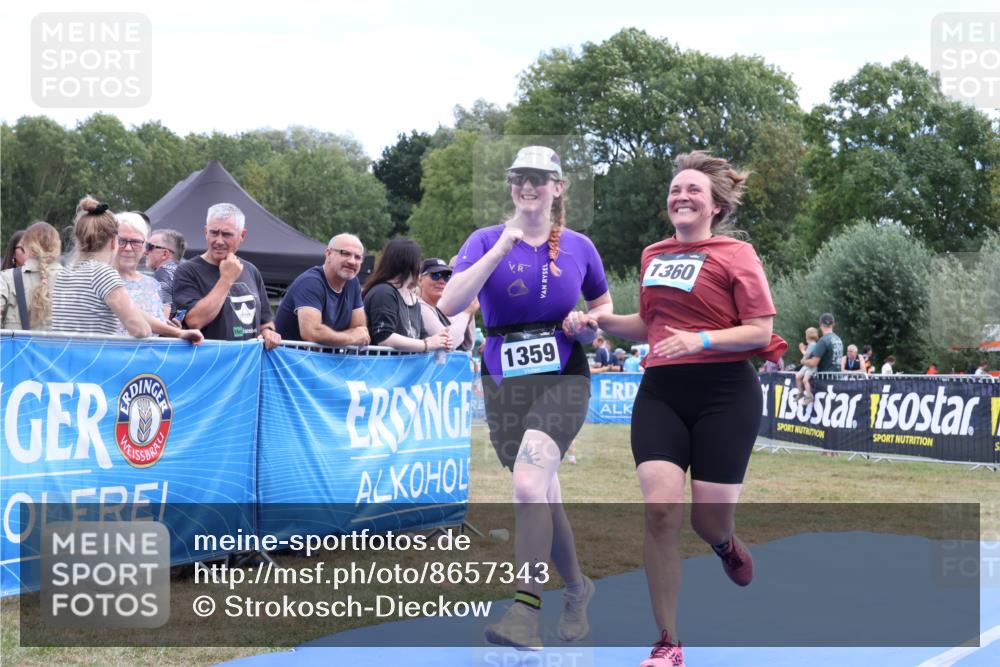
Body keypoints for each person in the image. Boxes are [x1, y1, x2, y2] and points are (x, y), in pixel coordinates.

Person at [593, 151, 786, 666]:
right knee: (659, 512)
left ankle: (725, 544)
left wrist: (699, 340)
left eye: (693, 190)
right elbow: (647, 325)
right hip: (662, 392)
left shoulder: (737, 253)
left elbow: (760, 331)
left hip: (725, 393)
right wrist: (598, 322)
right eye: (675, 189)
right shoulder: (653, 254)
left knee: (708, 522)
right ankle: (668, 642)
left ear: (716, 205)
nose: (681, 196)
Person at [438, 145, 611, 650]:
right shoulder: (485, 239)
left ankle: (525, 611)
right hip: (503, 385)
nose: (528, 186)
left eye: (540, 178)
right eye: (520, 177)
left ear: (558, 187)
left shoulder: (580, 246)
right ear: (511, 185)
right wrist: (499, 249)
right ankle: (578, 590)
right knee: (543, 495)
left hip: (564, 379)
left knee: (531, 485)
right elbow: (449, 303)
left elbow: (602, 305)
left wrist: (587, 324)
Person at [171, 203, 280, 348]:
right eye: (214, 233)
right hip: (210, 364)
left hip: (247, 365)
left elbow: (265, 321)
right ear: (205, 232)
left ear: (242, 235)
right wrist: (226, 279)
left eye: (227, 234)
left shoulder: (251, 270)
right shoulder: (187, 271)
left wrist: (269, 332)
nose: (219, 241)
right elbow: (194, 321)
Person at [51, 196, 150, 337]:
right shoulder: (103, 273)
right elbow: (141, 330)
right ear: (114, 242)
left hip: (64, 356)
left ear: (78, 239)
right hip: (93, 357)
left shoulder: (65, 273)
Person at [113, 212, 203, 343]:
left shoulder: (154, 281)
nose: (128, 248)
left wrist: (171, 330)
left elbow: (160, 318)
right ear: (111, 242)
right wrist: (175, 331)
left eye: (136, 242)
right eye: (121, 241)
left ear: (144, 246)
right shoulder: (101, 278)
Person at [274, 234, 369, 346]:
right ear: (328, 254)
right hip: (291, 360)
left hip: (322, 361)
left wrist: (336, 337)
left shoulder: (353, 282)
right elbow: (312, 333)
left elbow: (360, 330)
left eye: (358, 257)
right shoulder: (310, 282)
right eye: (345, 253)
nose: (352, 261)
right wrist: (352, 337)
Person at [363, 237, 451, 352]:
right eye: (418, 260)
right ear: (409, 263)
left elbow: (420, 335)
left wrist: (439, 341)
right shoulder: (383, 292)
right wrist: (426, 345)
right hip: (380, 367)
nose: (419, 266)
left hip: (402, 368)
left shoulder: (411, 297)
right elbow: (384, 337)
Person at [1, 222, 63, 330]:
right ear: (57, 246)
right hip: (61, 347)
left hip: (16, 347)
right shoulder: (72, 279)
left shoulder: (6, 279)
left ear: (26, 246)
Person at [417, 257, 478, 351]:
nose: (441, 281)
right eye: (435, 275)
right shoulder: (419, 306)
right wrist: (466, 313)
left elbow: (467, 345)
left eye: (447, 277)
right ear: (420, 280)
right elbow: (449, 343)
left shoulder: (439, 308)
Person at [145, 228, 185, 318]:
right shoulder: (183, 273)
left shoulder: (162, 273)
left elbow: (164, 315)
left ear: (165, 254)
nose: (145, 252)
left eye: (149, 247)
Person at [795, 327, 819, 402]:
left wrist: (802, 349)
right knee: (798, 376)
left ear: (807, 336)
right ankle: (800, 392)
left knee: (805, 380)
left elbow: (807, 356)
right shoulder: (811, 344)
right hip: (807, 365)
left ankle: (809, 396)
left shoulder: (812, 344)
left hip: (810, 366)